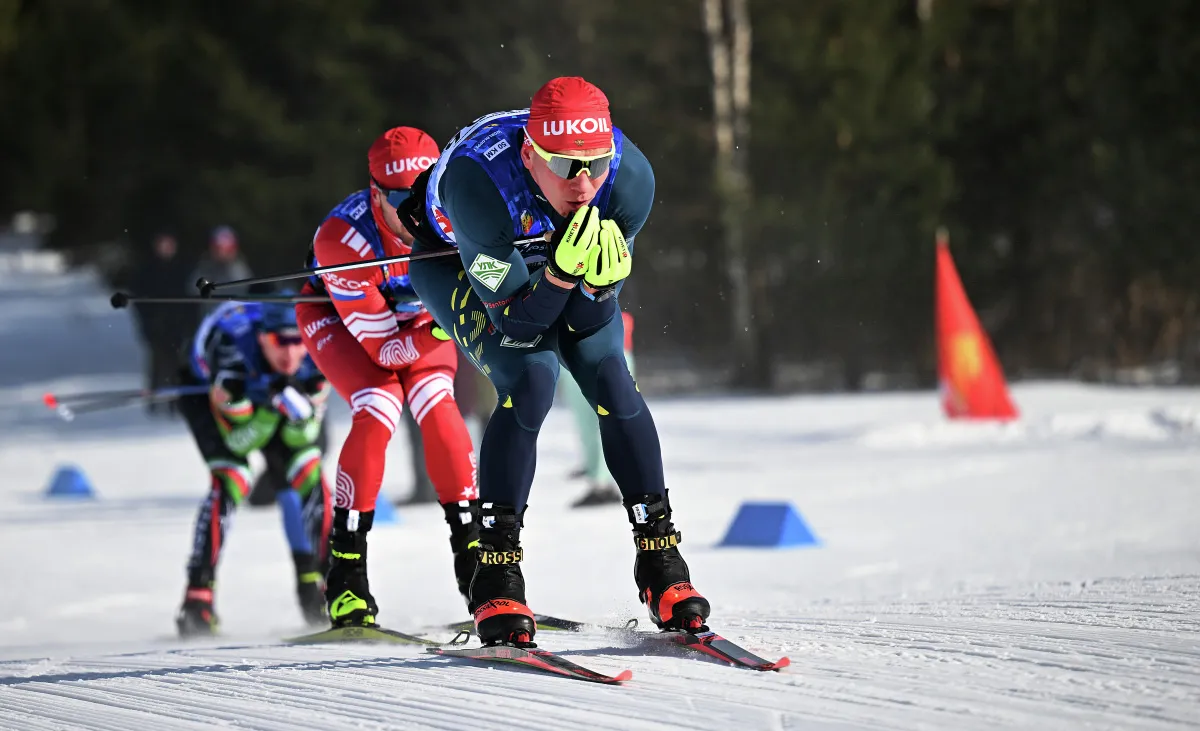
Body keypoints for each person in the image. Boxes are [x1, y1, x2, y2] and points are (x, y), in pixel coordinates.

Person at [399, 77, 710, 646]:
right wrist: (565, 275)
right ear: (530, 156)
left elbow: (587, 328)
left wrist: (598, 289)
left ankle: (660, 561)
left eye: (596, 163)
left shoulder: (629, 180)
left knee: (613, 380)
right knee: (532, 379)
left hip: (543, 256)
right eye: (567, 167)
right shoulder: (479, 185)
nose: (585, 183)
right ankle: (495, 571)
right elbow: (518, 326)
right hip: (459, 259)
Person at [295, 126, 479, 629]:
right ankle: (346, 577)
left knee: (438, 403)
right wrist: (451, 321)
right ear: (376, 193)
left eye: (426, 191)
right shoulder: (343, 239)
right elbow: (388, 351)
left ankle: (477, 566)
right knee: (378, 407)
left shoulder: (461, 207)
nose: (415, 209)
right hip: (342, 322)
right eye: (401, 199)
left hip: (420, 322)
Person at [174, 300, 332, 637]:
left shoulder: (318, 353)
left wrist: (296, 410)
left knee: (307, 472)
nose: (290, 354)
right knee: (231, 479)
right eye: (280, 343)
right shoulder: (231, 355)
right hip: (208, 392)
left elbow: (305, 434)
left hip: (268, 401)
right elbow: (239, 442)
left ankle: (327, 584)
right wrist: (267, 409)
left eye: (296, 342)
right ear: (262, 339)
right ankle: (197, 598)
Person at [561, 310, 636, 507]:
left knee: (599, 424)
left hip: (594, 357)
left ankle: (602, 483)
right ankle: (600, 475)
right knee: (592, 425)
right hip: (582, 356)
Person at [130, 231, 192, 416]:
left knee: (177, 366)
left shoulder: (182, 269)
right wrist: (149, 322)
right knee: (157, 365)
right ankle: (154, 402)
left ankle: (176, 403)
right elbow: (139, 300)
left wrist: (185, 323)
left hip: (177, 328)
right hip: (156, 327)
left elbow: (188, 301)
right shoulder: (147, 270)